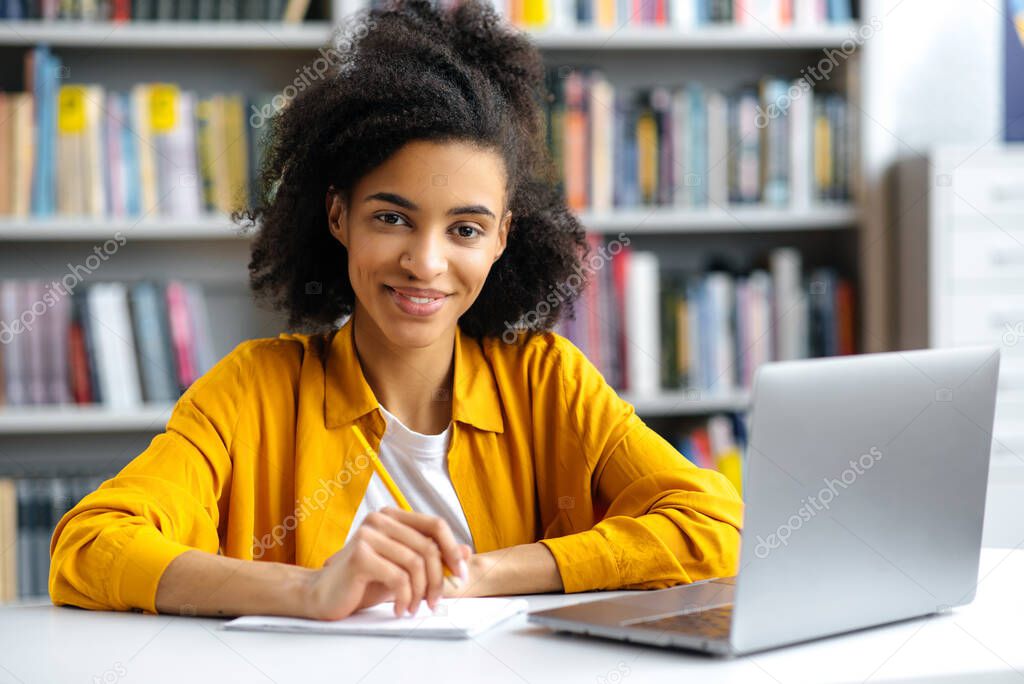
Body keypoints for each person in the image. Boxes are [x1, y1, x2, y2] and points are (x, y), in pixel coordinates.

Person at [49, 0, 743, 621]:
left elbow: (716, 525)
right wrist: (310, 590)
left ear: (503, 236)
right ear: (338, 216)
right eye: (392, 218)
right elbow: (90, 547)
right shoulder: (252, 392)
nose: (426, 262)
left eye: (465, 229)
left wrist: (484, 573)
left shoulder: (547, 382)